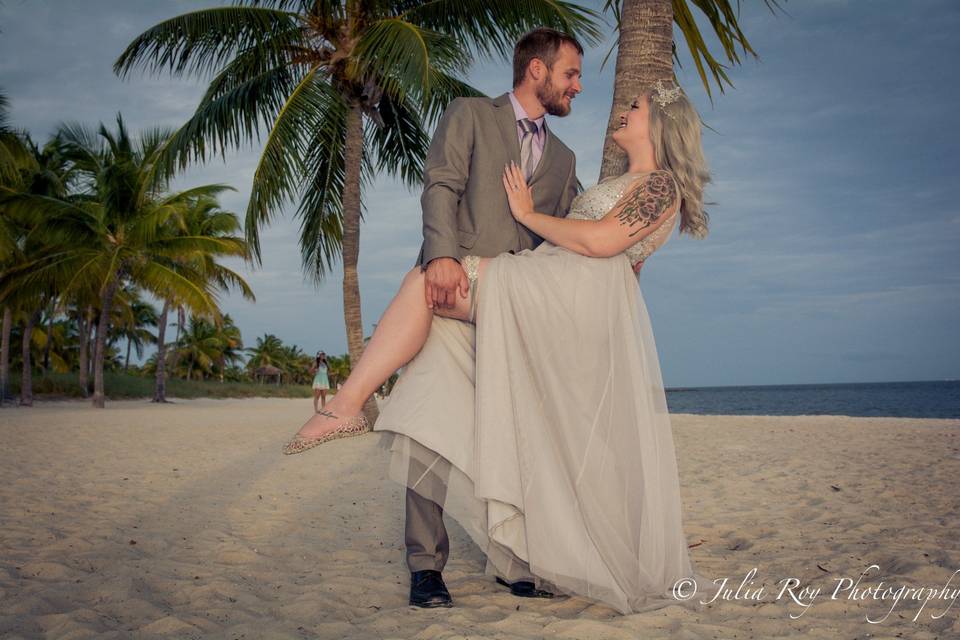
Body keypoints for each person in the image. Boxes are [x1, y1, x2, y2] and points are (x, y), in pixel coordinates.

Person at [282, 74, 716, 614]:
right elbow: (598, 235)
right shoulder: (619, 181)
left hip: (555, 296)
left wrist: (529, 214)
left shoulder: (656, 185)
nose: (621, 110)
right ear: (538, 70)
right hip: (546, 288)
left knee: (427, 280)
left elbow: (600, 241)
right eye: (573, 75)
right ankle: (438, 560)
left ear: (661, 125)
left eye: (636, 106)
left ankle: (347, 405)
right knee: (438, 358)